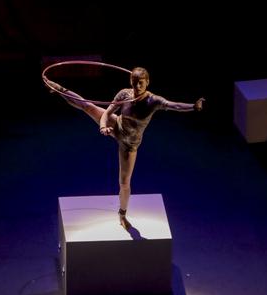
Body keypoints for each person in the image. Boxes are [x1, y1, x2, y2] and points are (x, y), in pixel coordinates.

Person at [45, 67, 204, 229]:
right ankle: (59, 89)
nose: (137, 87)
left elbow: (174, 105)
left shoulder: (153, 101)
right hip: (117, 125)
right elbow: (107, 113)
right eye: (134, 83)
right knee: (88, 105)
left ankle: (122, 214)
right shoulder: (124, 95)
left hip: (129, 144)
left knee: (124, 182)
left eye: (141, 83)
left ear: (147, 82)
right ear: (130, 82)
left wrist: (193, 106)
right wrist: (103, 127)